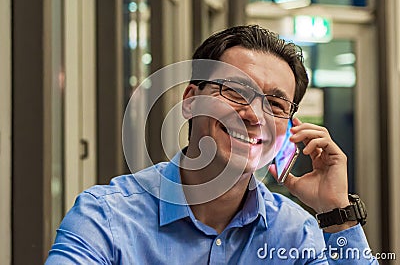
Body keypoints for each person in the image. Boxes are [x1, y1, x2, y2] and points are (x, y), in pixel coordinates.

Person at [46, 25, 377, 264]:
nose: (252, 115)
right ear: (190, 100)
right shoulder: (106, 218)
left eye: (275, 105)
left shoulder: (295, 232)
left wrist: (336, 212)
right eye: (234, 91)